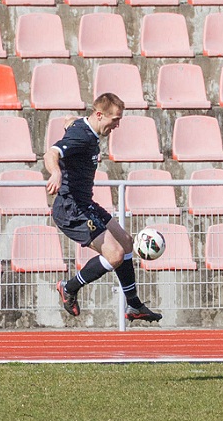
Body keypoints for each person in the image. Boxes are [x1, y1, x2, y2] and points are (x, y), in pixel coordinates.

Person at [45, 93, 161, 323]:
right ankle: (69, 287)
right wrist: (56, 172)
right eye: (115, 119)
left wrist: (70, 121)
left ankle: (134, 305)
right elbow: (52, 153)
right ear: (99, 115)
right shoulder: (82, 135)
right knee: (115, 255)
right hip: (71, 208)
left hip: (85, 203)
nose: (117, 125)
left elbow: (71, 122)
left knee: (126, 242)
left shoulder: (86, 129)